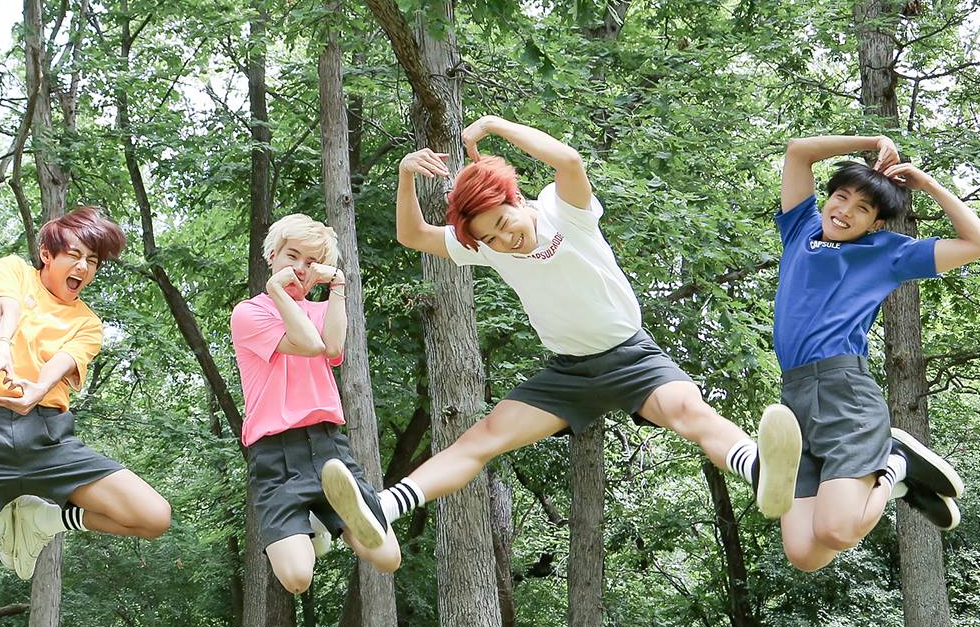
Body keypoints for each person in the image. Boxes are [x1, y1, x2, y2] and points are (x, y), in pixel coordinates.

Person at [337, 115, 801, 546]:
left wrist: (497, 125)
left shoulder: (566, 213)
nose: (504, 241)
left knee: (688, 412)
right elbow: (413, 236)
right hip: (567, 375)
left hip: (632, 358)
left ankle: (759, 467)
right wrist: (404, 175)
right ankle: (382, 508)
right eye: (491, 238)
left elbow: (568, 160)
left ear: (515, 199)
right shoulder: (490, 248)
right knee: (481, 439)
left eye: (503, 224)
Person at [0, 207, 171, 580]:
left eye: (92, 260)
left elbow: (67, 359)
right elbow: (8, 305)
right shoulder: (15, 271)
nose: (83, 268)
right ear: (47, 254)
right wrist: (1, 343)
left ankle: (48, 517)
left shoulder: (87, 321)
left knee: (154, 518)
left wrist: (38, 388)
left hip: (49, 442)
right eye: (74, 255)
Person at [772, 134, 980, 570]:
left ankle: (894, 465)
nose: (844, 212)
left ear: (875, 223)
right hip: (795, 397)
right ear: (827, 199)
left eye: (862, 209)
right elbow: (799, 151)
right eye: (840, 198)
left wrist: (927, 184)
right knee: (805, 555)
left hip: (843, 391)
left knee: (837, 530)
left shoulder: (888, 254)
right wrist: (873, 140)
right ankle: (892, 471)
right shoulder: (798, 230)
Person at [231, 214, 403, 594]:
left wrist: (338, 284)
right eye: (293, 256)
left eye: (312, 263)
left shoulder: (322, 310)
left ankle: (333, 516)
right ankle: (316, 530)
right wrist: (278, 292)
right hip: (275, 454)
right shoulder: (250, 312)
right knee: (296, 579)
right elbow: (308, 345)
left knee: (389, 558)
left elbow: (333, 347)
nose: (300, 269)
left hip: (329, 449)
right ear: (272, 254)